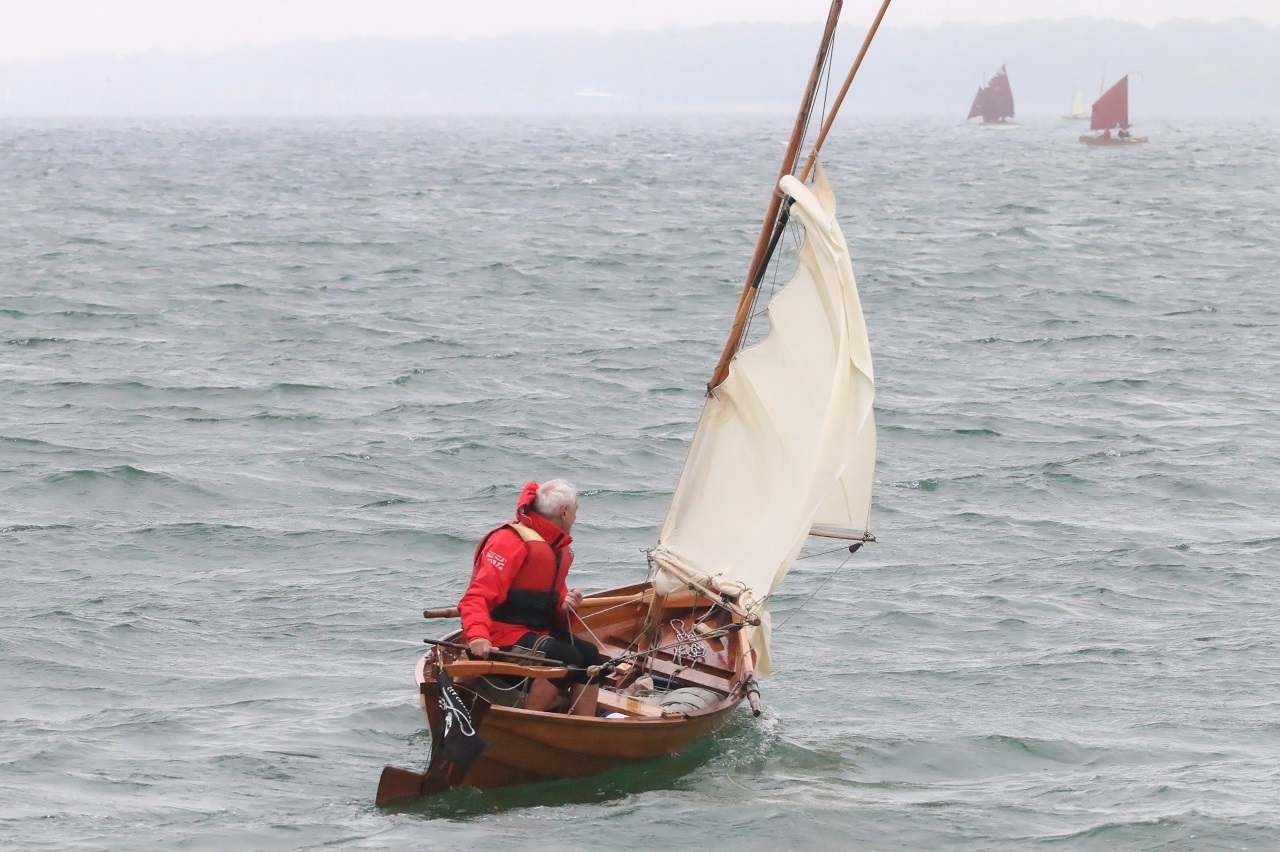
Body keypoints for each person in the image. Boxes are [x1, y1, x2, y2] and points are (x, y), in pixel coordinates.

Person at [458, 479, 608, 716]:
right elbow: (476, 597)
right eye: (576, 510)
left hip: (536, 633)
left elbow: (553, 605)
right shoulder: (509, 542)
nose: (576, 517)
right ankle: (524, 721)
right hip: (501, 634)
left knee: (590, 655)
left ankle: (584, 724)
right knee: (566, 657)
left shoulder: (554, 547)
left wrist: (567, 607)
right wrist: (477, 635)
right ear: (564, 511)